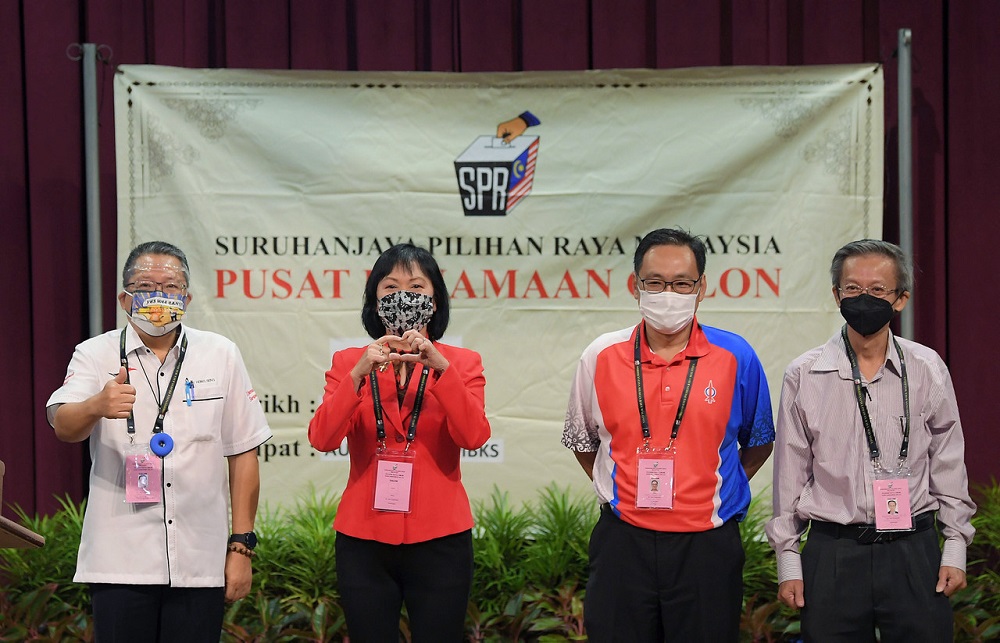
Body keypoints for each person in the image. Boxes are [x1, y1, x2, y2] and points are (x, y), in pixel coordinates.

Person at [46, 241, 272, 642]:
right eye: (146, 285)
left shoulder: (219, 354)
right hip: (121, 560)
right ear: (124, 297)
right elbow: (63, 424)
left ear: (186, 297)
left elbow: (244, 451)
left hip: (199, 560)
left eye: (170, 287)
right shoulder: (94, 353)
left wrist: (241, 547)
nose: (159, 296)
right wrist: (97, 404)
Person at [562, 227, 775, 642]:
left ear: (702, 288)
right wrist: (621, 485)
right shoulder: (600, 354)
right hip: (624, 540)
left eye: (682, 283)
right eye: (655, 282)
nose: (668, 293)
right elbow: (584, 442)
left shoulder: (737, 355)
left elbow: (759, 441)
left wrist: (703, 486)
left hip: (708, 545)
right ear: (635, 285)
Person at [766, 239, 976, 642]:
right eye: (853, 289)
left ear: (900, 300)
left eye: (878, 290)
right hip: (833, 551)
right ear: (836, 295)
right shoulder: (804, 374)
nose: (865, 298)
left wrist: (954, 548)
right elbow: (790, 473)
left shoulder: (928, 368)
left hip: (914, 550)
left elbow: (948, 462)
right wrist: (789, 561)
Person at [308, 243, 491, 643]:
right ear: (375, 302)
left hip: (441, 536)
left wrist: (440, 370)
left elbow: (473, 436)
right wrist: (357, 375)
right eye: (390, 287)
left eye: (417, 286)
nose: (403, 296)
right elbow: (322, 438)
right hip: (364, 537)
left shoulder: (461, 363)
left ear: (435, 299)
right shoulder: (349, 362)